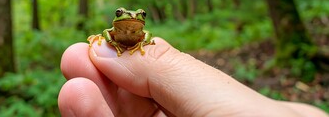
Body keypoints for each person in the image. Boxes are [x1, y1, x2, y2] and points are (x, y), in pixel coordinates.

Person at [58, 37, 328, 117]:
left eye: (138, 16)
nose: (130, 18)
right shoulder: (114, 29)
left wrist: (147, 50)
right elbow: (107, 34)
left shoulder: (142, 33)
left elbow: (148, 39)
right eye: (123, 16)